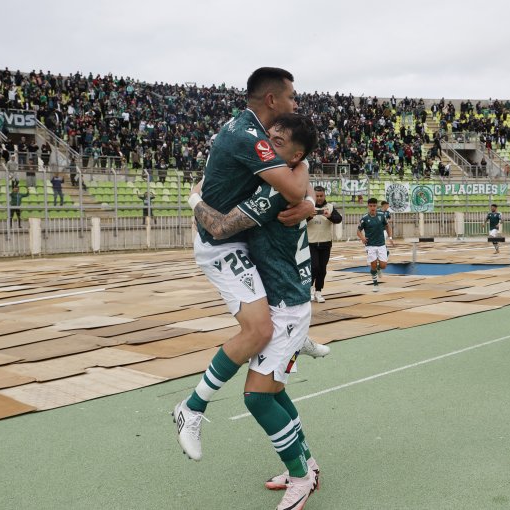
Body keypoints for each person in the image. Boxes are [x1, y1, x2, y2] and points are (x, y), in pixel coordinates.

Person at [172, 68, 315, 464]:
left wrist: (311, 202)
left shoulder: (251, 130)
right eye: (291, 96)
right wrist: (303, 193)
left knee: (268, 328)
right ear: (272, 100)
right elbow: (291, 185)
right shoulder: (248, 136)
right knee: (259, 330)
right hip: (220, 244)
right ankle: (192, 408)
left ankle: (296, 335)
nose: (295, 103)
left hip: (237, 240)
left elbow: (299, 181)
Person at [189, 113, 323, 510]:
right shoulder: (289, 180)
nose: (265, 146)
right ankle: (307, 465)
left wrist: (194, 199)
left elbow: (221, 226)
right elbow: (304, 180)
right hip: (288, 301)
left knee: (258, 398)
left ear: (295, 156)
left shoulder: (274, 193)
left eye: (277, 142)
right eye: (268, 137)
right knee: (275, 392)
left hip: (286, 307)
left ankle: (300, 480)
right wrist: (312, 201)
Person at [307, 185, 343, 303]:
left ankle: (318, 291)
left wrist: (330, 216)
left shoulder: (330, 207)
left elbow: (339, 219)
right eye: (317, 196)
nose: (319, 198)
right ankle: (310, 289)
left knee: (322, 269)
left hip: (326, 243)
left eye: (321, 196)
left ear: (324, 195)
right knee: (314, 267)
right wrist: (308, 216)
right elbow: (299, 220)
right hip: (311, 243)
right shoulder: (308, 206)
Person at [357, 198, 394, 292]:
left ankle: (379, 269)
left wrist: (390, 238)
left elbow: (387, 226)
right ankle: (375, 284)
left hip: (381, 244)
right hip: (370, 245)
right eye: (370, 206)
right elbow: (358, 231)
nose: (372, 208)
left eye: (374, 206)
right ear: (368, 206)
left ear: (376, 206)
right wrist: (362, 238)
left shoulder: (381, 216)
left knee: (383, 265)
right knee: (372, 265)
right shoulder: (364, 218)